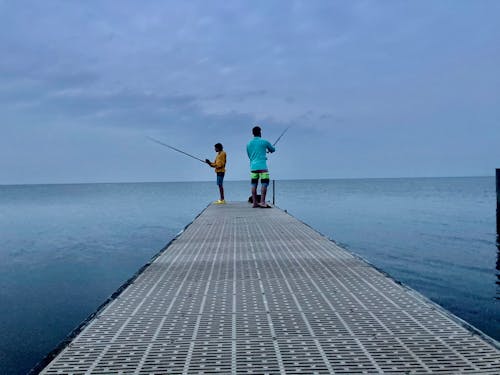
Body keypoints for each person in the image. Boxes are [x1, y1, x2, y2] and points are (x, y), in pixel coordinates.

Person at [246, 126, 275, 208]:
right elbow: (273, 149)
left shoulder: (248, 144)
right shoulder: (264, 142)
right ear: (260, 132)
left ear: (252, 133)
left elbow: (249, 155)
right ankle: (262, 202)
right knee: (264, 183)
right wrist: (268, 150)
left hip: (253, 167)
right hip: (263, 167)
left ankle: (255, 203)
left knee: (253, 184)